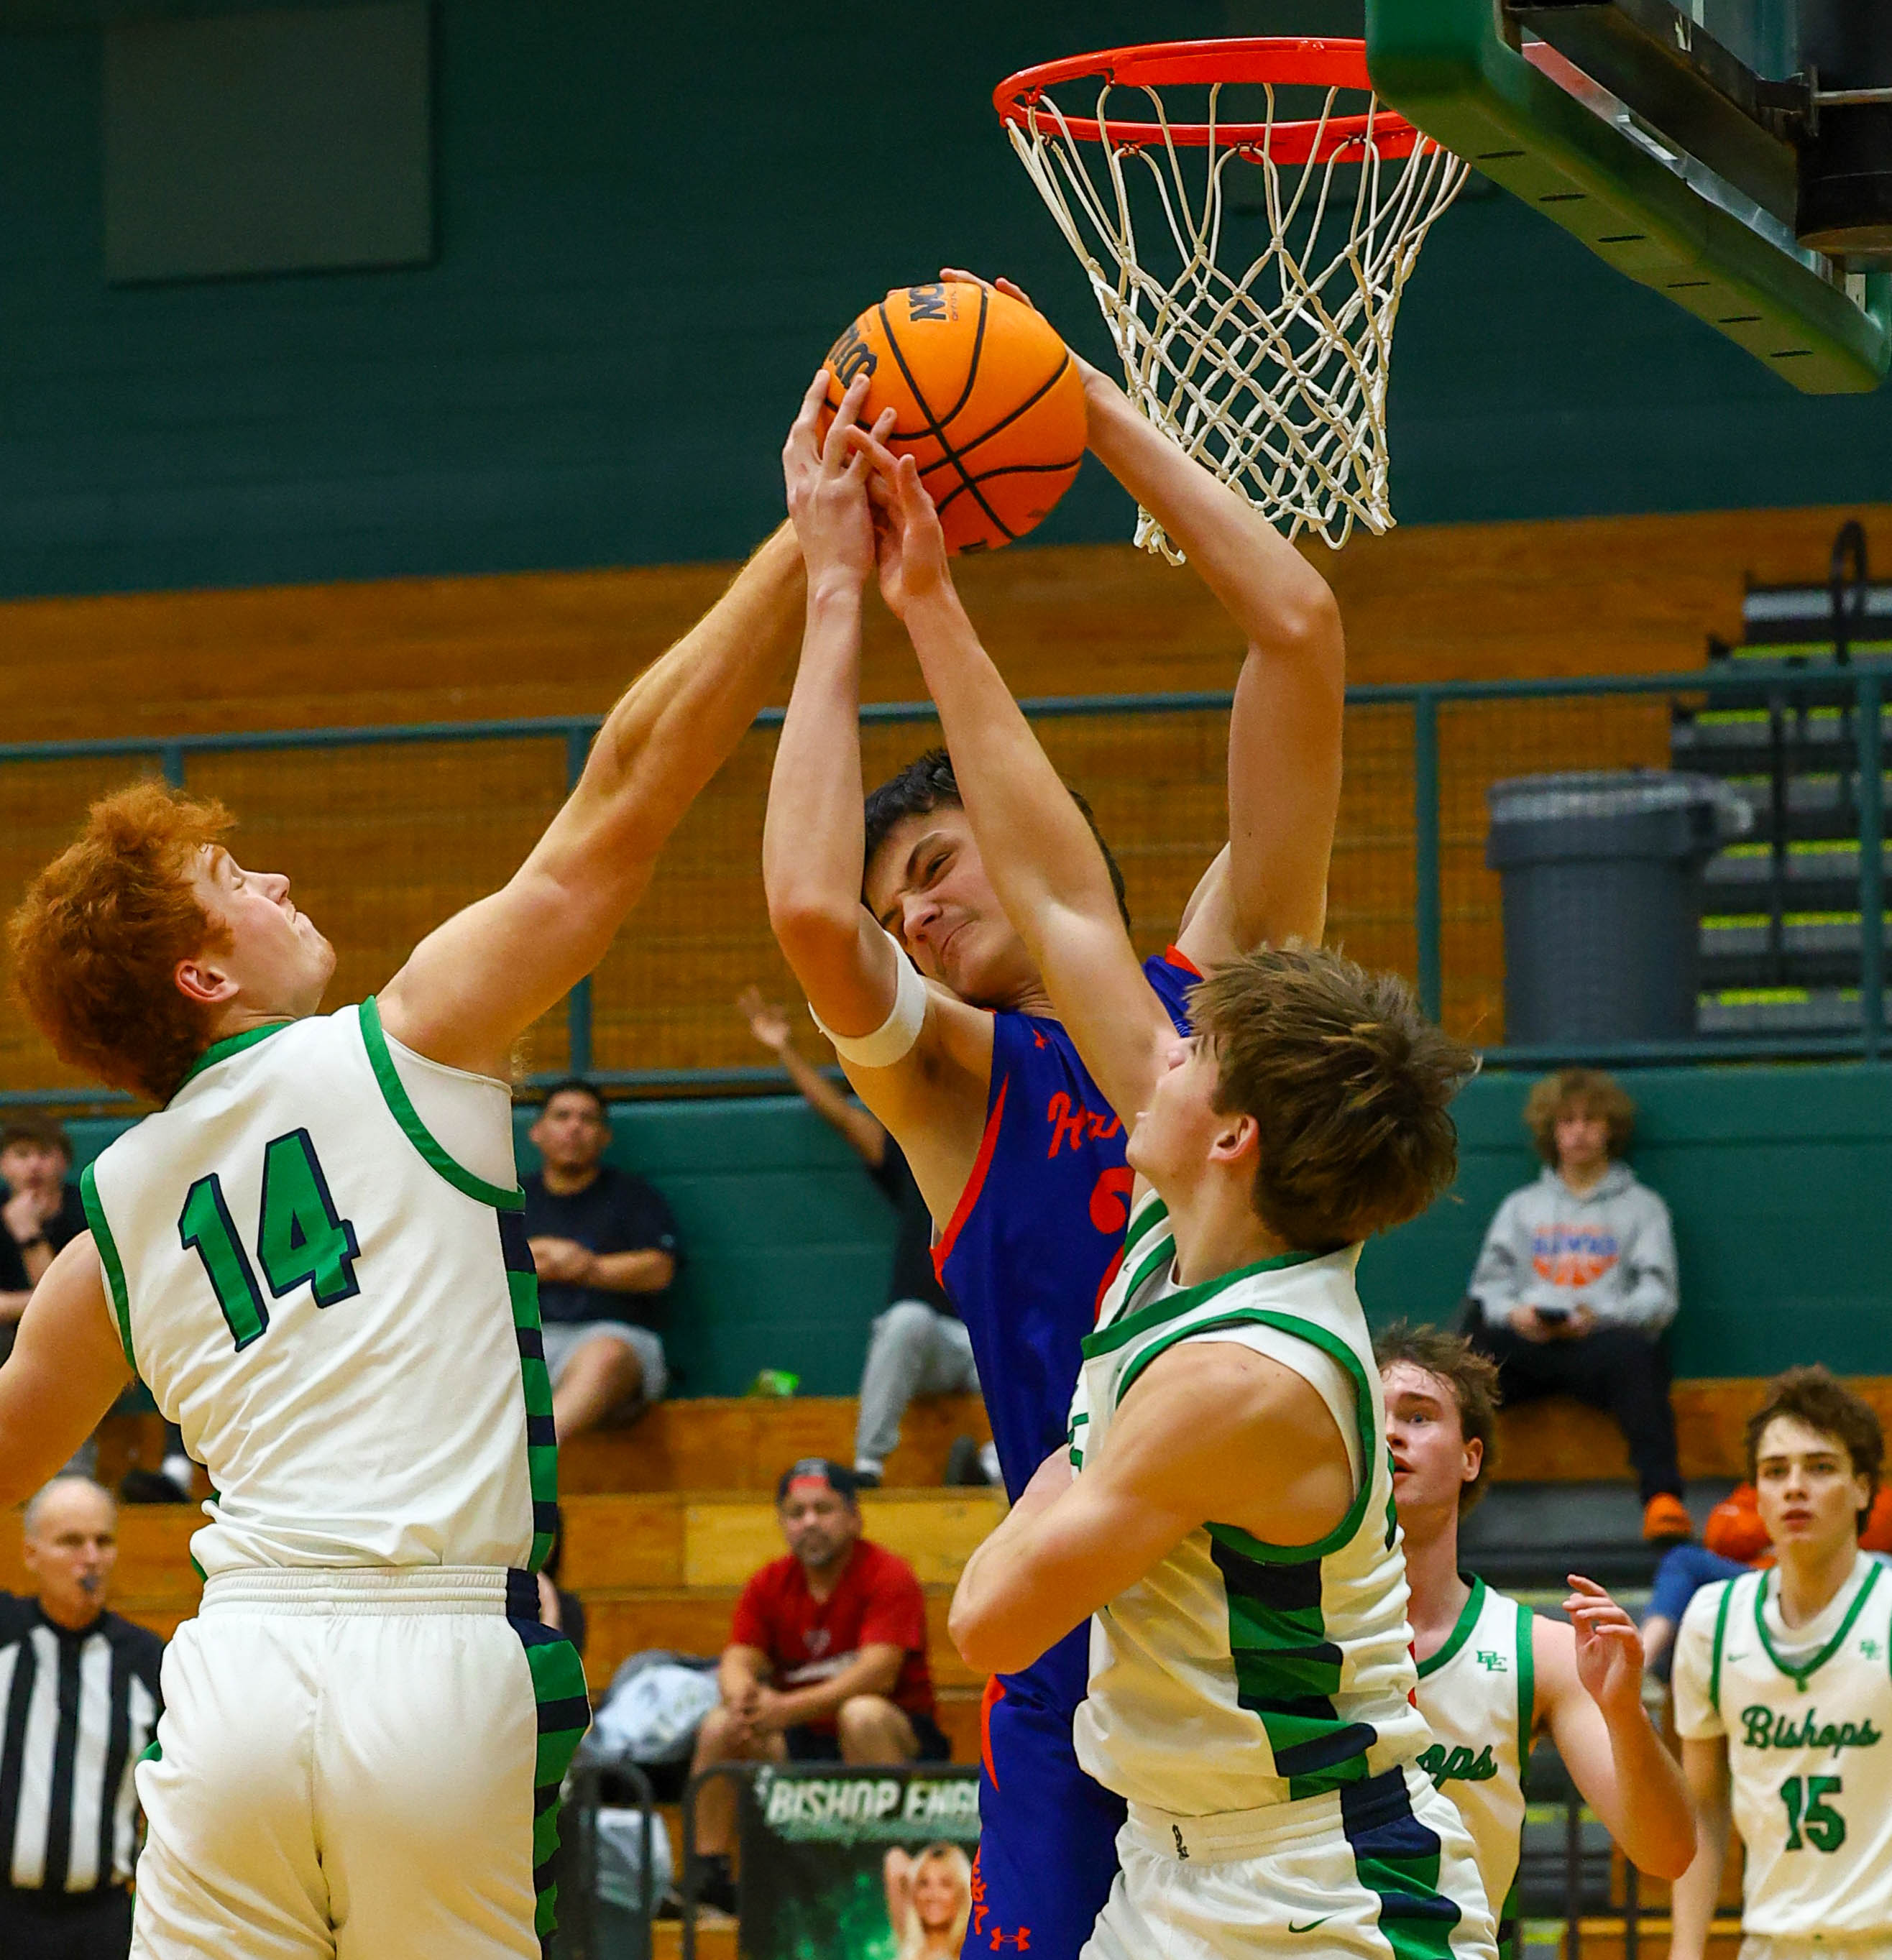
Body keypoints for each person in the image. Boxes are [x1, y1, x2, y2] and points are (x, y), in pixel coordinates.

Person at [1, 519, 806, 1956]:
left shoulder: (105, 1221)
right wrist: (805, 543)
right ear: (202, 975)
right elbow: (626, 786)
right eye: (235, 881)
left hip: (234, 1673)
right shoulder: (410, 1040)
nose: (276, 884)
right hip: (431, 1658)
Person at [763, 272, 1345, 1959]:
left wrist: (1077, 403)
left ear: (1027, 832)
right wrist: (833, 595)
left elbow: (1299, 638)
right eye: (899, 896)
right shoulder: (959, 1085)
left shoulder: (1215, 1008)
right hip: (1071, 1644)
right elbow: (810, 916)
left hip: (1266, 1627)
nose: (917, 910)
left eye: (940, 862)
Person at [1374, 1323, 1696, 1941]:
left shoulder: (1534, 1651)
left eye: (1418, 1416)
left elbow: (1668, 1853)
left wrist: (1624, 1713)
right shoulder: (1292, 1626)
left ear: (1470, 1457)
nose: (1391, 1433)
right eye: (1373, 1417)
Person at [1669, 1366, 1892, 1960]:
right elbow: (1702, 1809)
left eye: (1820, 1467)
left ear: (1863, 1488)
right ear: (1756, 1495)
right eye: (1775, 1471)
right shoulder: (1713, 1622)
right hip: (1771, 1943)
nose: (1795, 1486)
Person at [737, 986, 995, 1489]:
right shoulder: (916, 1154)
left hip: (993, 1340)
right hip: (934, 1339)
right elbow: (838, 1113)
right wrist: (785, 1049)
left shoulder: (1019, 1163)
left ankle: (991, 1468)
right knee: (906, 1319)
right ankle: (868, 1467)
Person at [687, 1459, 947, 1911]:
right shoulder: (770, 1582)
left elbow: (879, 1673)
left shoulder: (888, 1575)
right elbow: (738, 1657)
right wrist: (742, 1695)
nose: (809, 1522)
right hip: (803, 1742)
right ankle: (707, 1879)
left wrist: (785, 1709)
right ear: (782, 1523)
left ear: (854, 1517)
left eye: (823, 1509)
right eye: (796, 1512)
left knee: (861, 1714)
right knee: (720, 1724)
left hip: (894, 1740)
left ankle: (896, 1864)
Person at [1466, 1067, 1689, 1544]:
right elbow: (1487, 1289)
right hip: (1528, 1348)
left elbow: (1659, 1298)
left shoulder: (1643, 1207)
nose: (1580, 1131)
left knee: (1641, 1355)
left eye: (1591, 1120)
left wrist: (1601, 1317)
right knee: (1465, 1350)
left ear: (1611, 1129)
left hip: (1600, 1348)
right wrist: (1516, 1315)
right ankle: (1441, 1500)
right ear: (1552, 1131)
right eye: (1567, 1121)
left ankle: (1662, 1501)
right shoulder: (1521, 1207)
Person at [0, 1477, 164, 1960]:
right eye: (71, 1541)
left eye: (103, 1541)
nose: (90, 1557)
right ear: (31, 1553)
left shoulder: (147, 1661)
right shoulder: (4, 1635)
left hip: (102, 1923)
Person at [523, 1078, 681, 1443]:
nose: (574, 1127)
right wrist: (540, 1258)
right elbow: (477, 1271)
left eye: (588, 1119)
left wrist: (586, 1268)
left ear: (605, 1136)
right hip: (526, 1341)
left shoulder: (633, 1196)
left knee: (606, 1353)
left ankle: (538, 1453)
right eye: (562, 1116)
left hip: (614, 1342)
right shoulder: (511, 1197)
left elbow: (659, 1270)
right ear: (537, 1132)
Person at [0, 1116, 88, 1335]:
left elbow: (70, 1307)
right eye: (22, 1155)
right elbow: (58, 1299)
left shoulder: (87, 1211)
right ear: (3, 1165)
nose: (34, 1165)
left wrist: (28, 1233)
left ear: (64, 1162)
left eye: (45, 1154)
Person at [885, 1844, 973, 1960]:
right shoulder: (910, 1945)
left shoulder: (972, 1950)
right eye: (924, 1883)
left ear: (962, 1893)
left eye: (945, 1884)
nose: (933, 1895)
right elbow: (894, 1859)